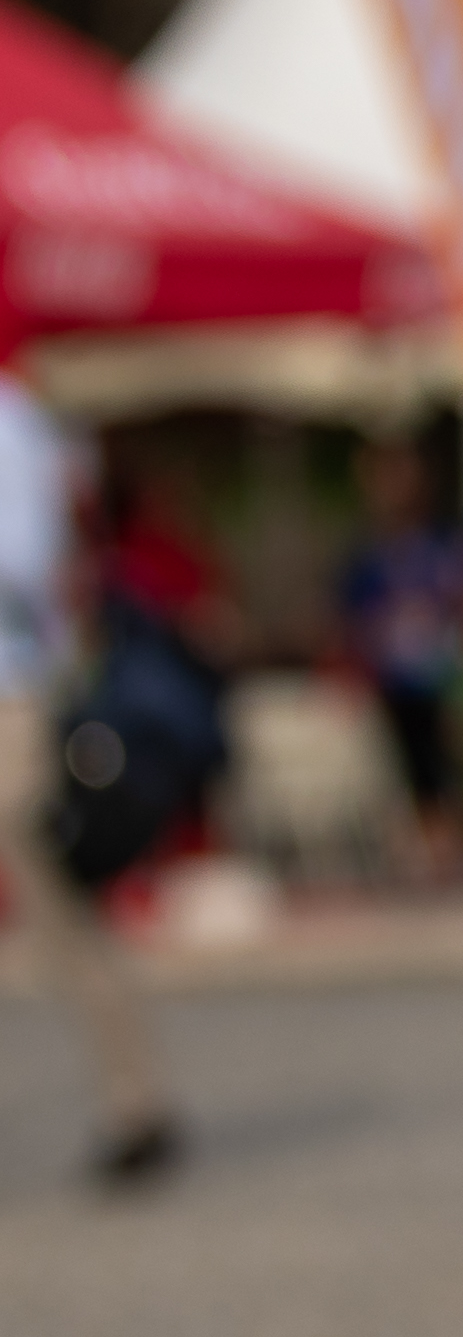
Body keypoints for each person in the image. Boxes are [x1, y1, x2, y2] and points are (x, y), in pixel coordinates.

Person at [0, 368, 178, 1185]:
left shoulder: (14, 423)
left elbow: (26, 568)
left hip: (13, 698)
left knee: (58, 907)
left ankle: (134, 1101)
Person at [337, 428, 463, 872]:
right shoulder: (369, 554)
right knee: (412, 765)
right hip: (395, 676)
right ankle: (431, 846)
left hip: (445, 672)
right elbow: (349, 615)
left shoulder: (445, 544)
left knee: (449, 763)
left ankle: (453, 845)